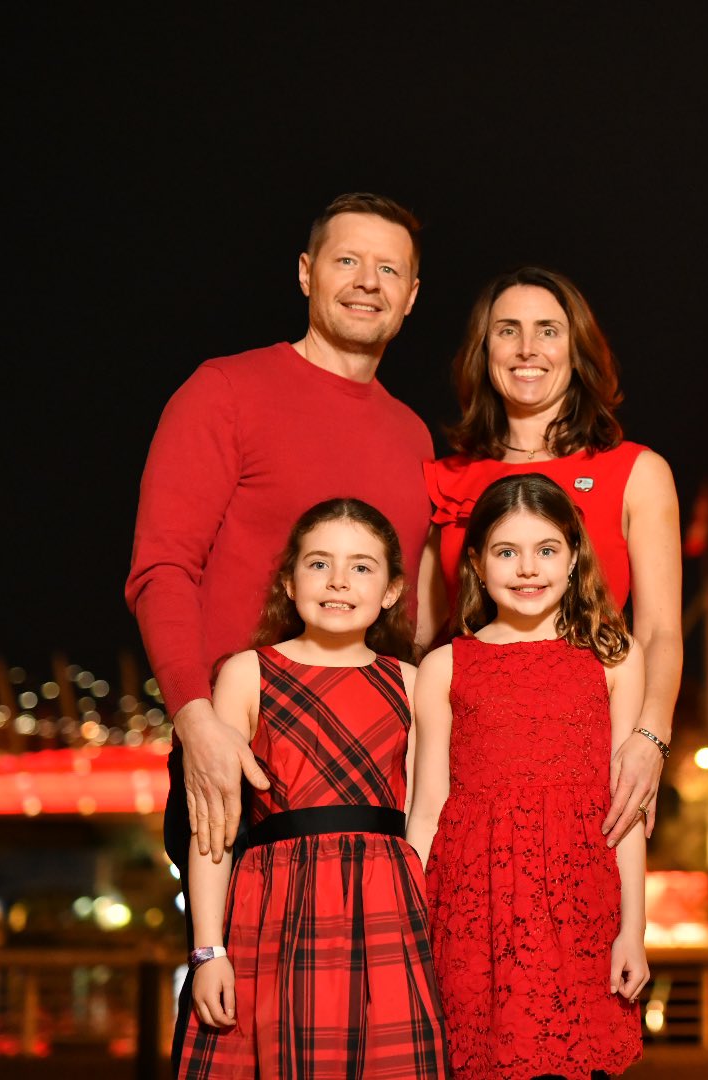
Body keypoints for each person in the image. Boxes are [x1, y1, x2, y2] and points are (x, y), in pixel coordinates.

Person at [126, 193, 433, 884]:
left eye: (387, 269)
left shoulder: (413, 436)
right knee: (229, 978)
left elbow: (410, 611)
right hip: (240, 748)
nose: (366, 282)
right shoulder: (224, 391)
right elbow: (162, 569)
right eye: (346, 260)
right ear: (305, 272)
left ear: (411, 296)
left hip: (375, 767)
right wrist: (196, 723)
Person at [179, 498, 446, 1078]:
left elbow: (426, 814)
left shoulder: (412, 681)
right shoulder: (247, 673)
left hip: (387, 908)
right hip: (275, 909)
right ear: (288, 580)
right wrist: (207, 951)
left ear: (393, 590)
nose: (339, 581)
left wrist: (411, 919)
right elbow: (214, 830)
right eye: (319, 563)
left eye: (362, 567)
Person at [421, 267, 680, 847]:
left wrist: (649, 739)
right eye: (507, 331)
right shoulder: (443, 480)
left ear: (577, 347)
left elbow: (661, 630)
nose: (527, 348)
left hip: (592, 757)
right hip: (472, 766)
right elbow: (420, 640)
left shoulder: (637, 472)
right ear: (483, 351)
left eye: (548, 330)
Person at [408, 474, 647, 1080]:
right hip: (470, 905)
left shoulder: (614, 656)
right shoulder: (444, 666)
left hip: (579, 900)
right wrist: (409, 927)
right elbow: (429, 806)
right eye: (506, 552)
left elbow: (628, 807)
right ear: (478, 566)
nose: (527, 569)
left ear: (573, 559)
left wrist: (634, 930)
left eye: (546, 550)